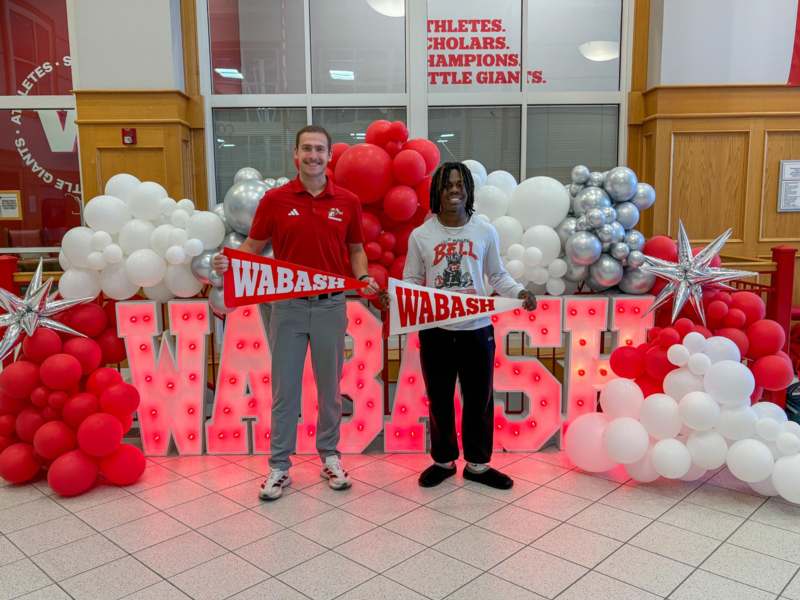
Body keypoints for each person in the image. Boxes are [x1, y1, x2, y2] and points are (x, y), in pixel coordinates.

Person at [212, 125, 379, 501]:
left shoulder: (347, 201)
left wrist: (364, 275)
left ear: (329, 156)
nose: (314, 156)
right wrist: (229, 262)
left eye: (320, 150)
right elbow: (254, 245)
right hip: (285, 308)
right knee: (285, 391)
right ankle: (279, 467)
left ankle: (330, 456)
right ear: (295, 155)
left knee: (330, 389)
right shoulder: (275, 199)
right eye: (307, 149)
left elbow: (356, 250)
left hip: (331, 306)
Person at [402, 162, 537, 489]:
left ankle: (478, 465)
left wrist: (519, 291)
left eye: (460, 185)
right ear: (436, 191)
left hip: (476, 331)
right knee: (440, 398)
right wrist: (402, 299)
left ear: (468, 190)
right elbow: (411, 279)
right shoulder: (421, 235)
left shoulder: (484, 231)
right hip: (435, 332)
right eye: (447, 185)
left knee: (479, 399)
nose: (454, 190)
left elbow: (497, 275)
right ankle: (443, 461)